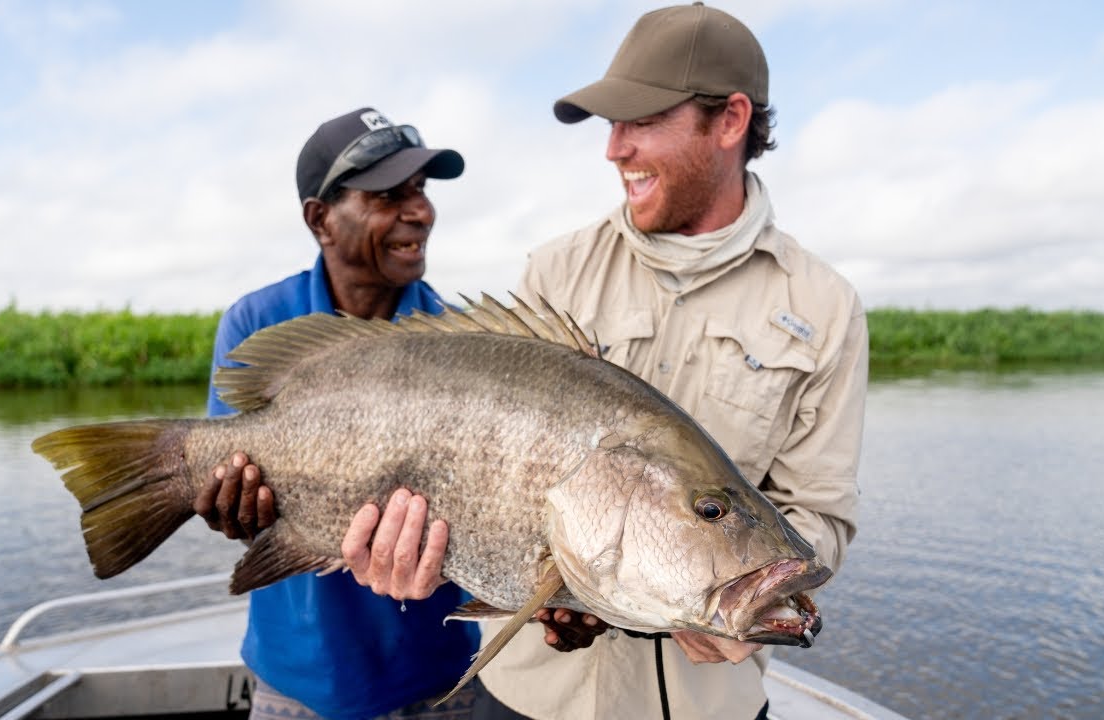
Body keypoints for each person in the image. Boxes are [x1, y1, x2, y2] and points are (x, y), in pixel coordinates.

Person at [470, 4, 869, 719]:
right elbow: (481, 476)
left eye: (641, 120)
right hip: (530, 697)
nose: (614, 149)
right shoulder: (554, 272)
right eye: (610, 126)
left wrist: (753, 590)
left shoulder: (826, 307)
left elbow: (823, 519)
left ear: (729, 121)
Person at [195, 107, 479, 720]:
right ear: (320, 219)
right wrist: (233, 509)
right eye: (387, 195)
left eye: (421, 191)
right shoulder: (257, 323)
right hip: (297, 686)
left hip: (442, 683)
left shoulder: (460, 347)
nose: (420, 211)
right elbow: (232, 488)